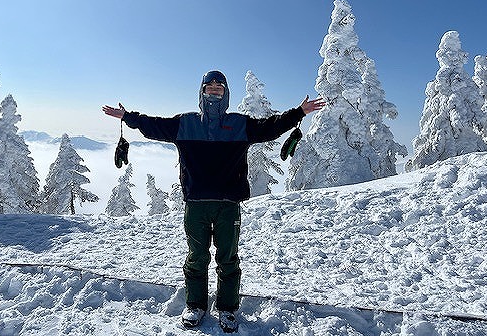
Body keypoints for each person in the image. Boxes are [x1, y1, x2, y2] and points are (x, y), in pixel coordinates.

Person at [102, 70, 325, 333]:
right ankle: (195, 305)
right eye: (210, 87)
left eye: (220, 88)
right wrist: (128, 117)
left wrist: (298, 112)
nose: (215, 90)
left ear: (226, 93)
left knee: (228, 259)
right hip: (196, 204)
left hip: (228, 205)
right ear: (202, 91)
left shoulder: (239, 124)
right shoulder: (186, 123)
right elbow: (154, 126)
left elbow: (270, 127)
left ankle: (227, 309)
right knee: (196, 257)